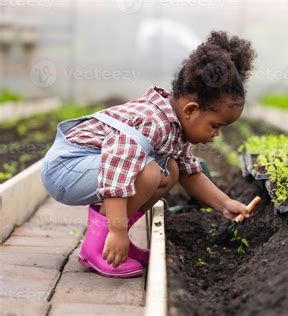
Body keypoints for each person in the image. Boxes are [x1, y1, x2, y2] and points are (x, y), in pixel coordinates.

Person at [40, 31, 256, 278]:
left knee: (172, 169)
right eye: (215, 125)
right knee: (150, 171)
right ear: (191, 110)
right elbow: (116, 176)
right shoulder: (153, 122)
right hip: (65, 168)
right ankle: (98, 247)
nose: (216, 134)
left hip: (88, 166)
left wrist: (225, 203)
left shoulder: (175, 125)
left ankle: (112, 244)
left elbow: (190, 174)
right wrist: (117, 231)